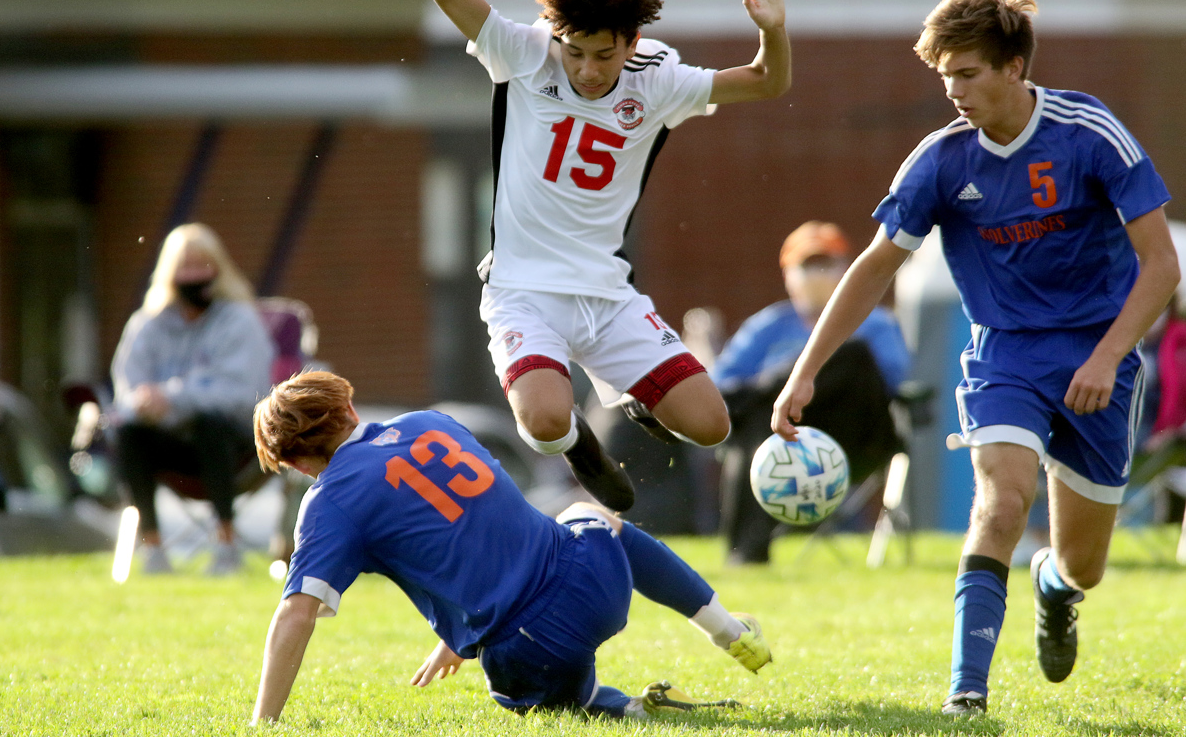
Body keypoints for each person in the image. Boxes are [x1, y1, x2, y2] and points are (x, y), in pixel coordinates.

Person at [770, 0, 1179, 716]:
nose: (952, 92)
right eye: (944, 77)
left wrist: (1107, 355)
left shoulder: (1089, 132)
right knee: (1001, 502)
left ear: (1014, 68)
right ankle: (967, 694)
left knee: (1085, 563)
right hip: (1005, 359)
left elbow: (1161, 266)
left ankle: (1054, 588)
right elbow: (871, 267)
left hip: (1098, 360)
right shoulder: (938, 162)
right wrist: (806, 370)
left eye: (966, 74)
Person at [423, 0, 791, 512]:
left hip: (606, 291)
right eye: (575, 53)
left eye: (604, 55)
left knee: (711, 425)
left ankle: (627, 396)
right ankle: (578, 447)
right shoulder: (524, 52)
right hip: (523, 290)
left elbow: (766, 82)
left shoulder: (658, 78)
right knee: (541, 422)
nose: (588, 70)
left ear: (633, 42)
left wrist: (773, 28)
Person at [250, 370, 772, 723]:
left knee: (557, 694)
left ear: (295, 462)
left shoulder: (329, 500)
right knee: (588, 516)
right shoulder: (429, 422)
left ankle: (624, 706)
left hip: (524, 653)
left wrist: (262, 724)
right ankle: (726, 629)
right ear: (348, 407)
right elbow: (478, 523)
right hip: (592, 582)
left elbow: (297, 614)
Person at [713, 221, 910, 563]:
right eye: (807, 266)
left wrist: (791, 378)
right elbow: (721, 385)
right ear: (788, 273)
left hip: (853, 434)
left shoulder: (876, 323)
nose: (817, 274)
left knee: (852, 353)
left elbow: (895, 378)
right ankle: (747, 553)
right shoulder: (766, 327)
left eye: (826, 263)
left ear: (846, 269)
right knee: (755, 415)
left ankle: (773, 391)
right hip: (778, 438)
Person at [111, 223, 272, 576]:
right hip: (169, 442)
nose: (194, 276)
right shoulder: (147, 325)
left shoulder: (240, 321)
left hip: (233, 446)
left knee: (209, 425)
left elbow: (243, 396)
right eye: (185, 267)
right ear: (169, 274)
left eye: (203, 266)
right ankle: (152, 548)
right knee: (128, 432)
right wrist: (143, 404)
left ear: (219, 269)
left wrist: (172, 397)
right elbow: (127, 389)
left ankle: (226, 545)